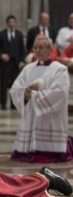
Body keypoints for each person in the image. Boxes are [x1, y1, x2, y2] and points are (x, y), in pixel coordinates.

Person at [10, 35, 73, 163]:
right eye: (35, 47)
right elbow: (15, 89)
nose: (37, 50)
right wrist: (24, 93)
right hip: (31, 113)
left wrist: (34, 95)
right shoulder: (28, 69)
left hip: (50, 118)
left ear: (50, 49)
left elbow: (59, 93)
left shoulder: (59, 69)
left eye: (41, 47)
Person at [0, 15, 26, 109]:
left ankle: (14, 104)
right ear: (7, 23)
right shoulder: (2, 34)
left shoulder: (19, 34)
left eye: (13, 22)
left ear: (15, 23)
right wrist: (1, 55)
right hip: (5, 63)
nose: (12, 24)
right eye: (10, 22)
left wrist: (21, 61)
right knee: (3, 83)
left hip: (15, 63)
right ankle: (3, 103)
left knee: (15, 84)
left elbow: (22, 49)